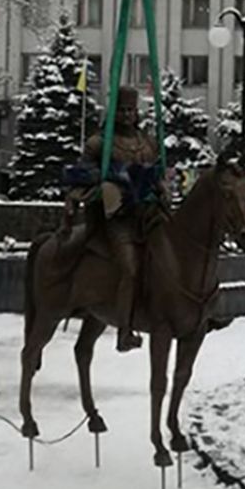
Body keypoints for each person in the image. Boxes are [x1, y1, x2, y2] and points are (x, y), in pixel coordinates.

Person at [64, 85, 170, 352]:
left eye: (130, 111)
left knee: (177, 253)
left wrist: (162, 187)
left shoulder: (147, 142)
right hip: (118, 218)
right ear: (113, 112)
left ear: (137, 113)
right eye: (121, 110)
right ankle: (125, 330)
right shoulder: (99, 142)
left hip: (150, 214)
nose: (126, 115)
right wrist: (110, 178)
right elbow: (81, 173)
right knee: (130, 267)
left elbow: (155, 173)